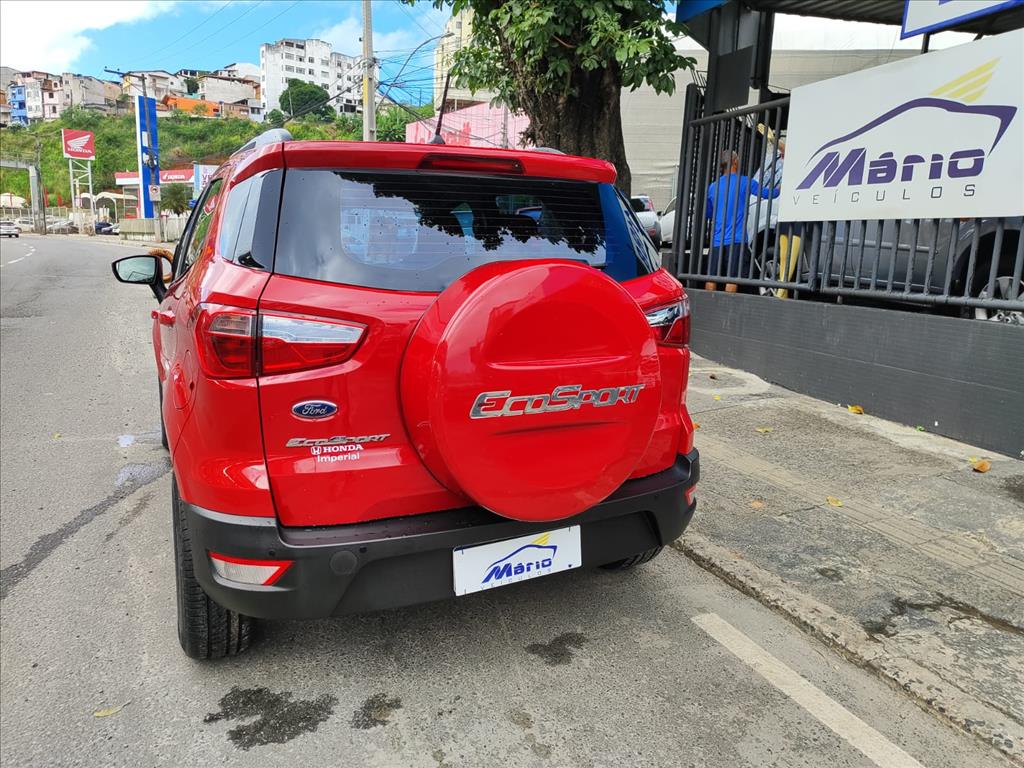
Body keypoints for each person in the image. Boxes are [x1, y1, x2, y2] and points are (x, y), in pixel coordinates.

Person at [705, 149, 780, 292]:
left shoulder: (713, 187)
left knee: (711, 277)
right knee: (732, 278)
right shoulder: (745, 182)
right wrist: (782, 187)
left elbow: (709, 213)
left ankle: (710, 304)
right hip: (736, 240)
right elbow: (769, 194)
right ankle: (728, 305)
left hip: (716, 241)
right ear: (735, 162)